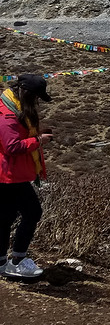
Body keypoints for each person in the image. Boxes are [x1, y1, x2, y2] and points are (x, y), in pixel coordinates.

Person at [0, 73, 54, 280]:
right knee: (32, 212)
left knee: (5, 218)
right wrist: (38, 140)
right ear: (26, 94)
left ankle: (3, 263)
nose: (37, 101)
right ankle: (18, 261)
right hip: (9, 175)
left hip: (11, 173)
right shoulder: (7, 115)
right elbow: (12, 147)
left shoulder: (13, 108)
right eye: (36, 97)